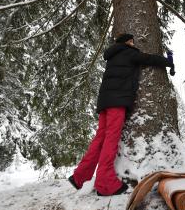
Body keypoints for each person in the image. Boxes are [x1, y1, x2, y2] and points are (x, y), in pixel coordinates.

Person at [68, 33, 174, 196]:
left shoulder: (112, 56)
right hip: (117, 102)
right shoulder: (129, 52)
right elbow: (149, 58)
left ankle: (79, 176)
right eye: (131, 41)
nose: (133, 43)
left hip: (105, 102)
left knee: (100, 139)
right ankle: (105, 183)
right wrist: (168, 61)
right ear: (126, 42)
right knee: (111, 139)